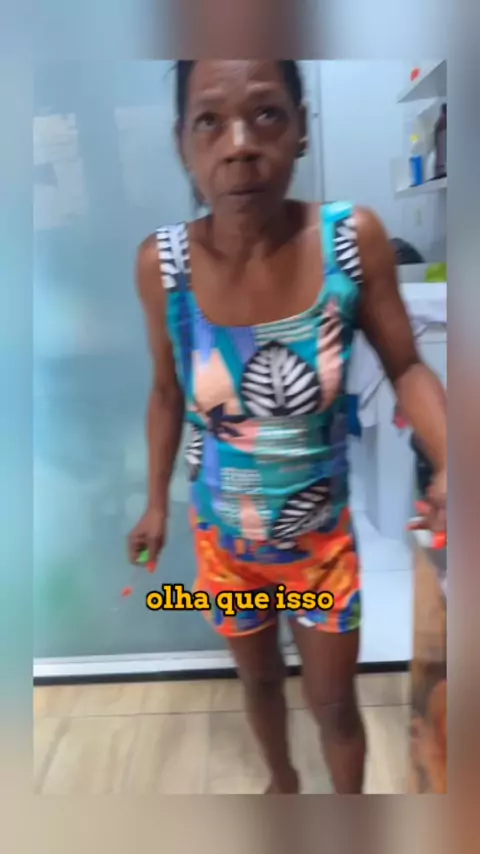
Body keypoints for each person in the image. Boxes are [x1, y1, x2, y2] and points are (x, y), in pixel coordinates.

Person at [128, 60, 447, 794]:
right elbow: (166, 392)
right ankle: (283, 789)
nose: (239, 144)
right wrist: (154, 505)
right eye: (210, 121)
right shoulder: (163, 266)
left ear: (302, 127)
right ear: (183, 142)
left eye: (267, 113)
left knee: (334, 705)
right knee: (260, 684)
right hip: (225, 546)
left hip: (319, 550)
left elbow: (406, 366)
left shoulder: (350, 242)